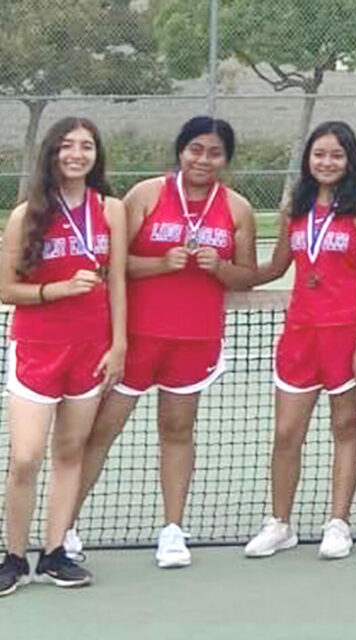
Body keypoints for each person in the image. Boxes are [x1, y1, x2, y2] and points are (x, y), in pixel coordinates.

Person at [72, 116, 257, 569]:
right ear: (180, 151)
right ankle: (66, 528)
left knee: (177, 431)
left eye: (214, 153)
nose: (203, 159)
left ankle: (172, 531)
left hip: (195, 340)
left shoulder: (237, 208)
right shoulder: (146, 195)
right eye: (196, 149)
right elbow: (111, 263)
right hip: (135, 338)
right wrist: (159, 264)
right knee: (102, 430)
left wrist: (220, 268)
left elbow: (247, 276)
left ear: (226, 159)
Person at [243, 122, 356, 560]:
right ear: (308, 159)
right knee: (287, 432)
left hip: (349, 335)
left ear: (350, 160)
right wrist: (221, 273)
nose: (327, 162)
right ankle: (279, 524)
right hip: (300, 335)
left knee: (345, 427)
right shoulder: (295, 208)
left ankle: (338, 523)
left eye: (336, 155)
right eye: (319, 154)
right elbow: (275, 267)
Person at [0, 117, 127, 594]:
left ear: (96, 155)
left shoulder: (111, 209)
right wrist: (57, 290)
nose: (77, 154)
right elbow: (6, 289)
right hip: (37, 349)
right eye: (67, 145)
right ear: (52, 153)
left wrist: (119, 344)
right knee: (26, 458)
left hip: (91, 350)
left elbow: (118, 281)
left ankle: (55, 553)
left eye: (86, 146)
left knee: (71, 451)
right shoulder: (25, 215)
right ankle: (14, 557)